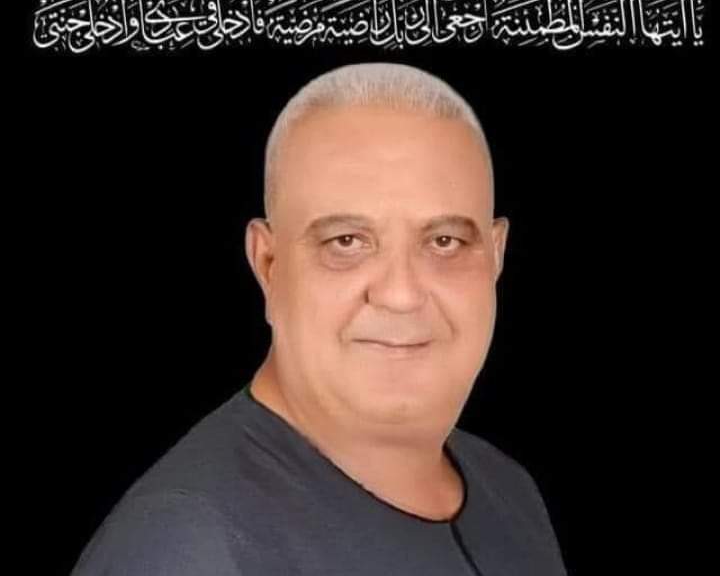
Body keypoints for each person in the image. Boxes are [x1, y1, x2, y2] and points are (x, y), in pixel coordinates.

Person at [70, 62, 568, 575]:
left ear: (496, 256)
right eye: (346, 242)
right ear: (268, 265)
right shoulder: (185, 549)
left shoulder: (510, 492)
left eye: (445, 241)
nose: (400, 294)